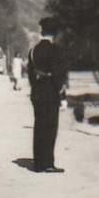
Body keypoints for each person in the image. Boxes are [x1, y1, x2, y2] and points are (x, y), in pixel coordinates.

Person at [27, 17, 69, 172]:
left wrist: (36, 86)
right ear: (55, 33)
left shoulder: (33, 50)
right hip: (50, 92)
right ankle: (48, 163)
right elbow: (59, 75)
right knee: (50, 127)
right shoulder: (56, 50)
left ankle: (38, 163)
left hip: (37, 92)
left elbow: (31, 75)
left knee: (39, 126)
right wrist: (62, 95)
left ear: (42, 32)